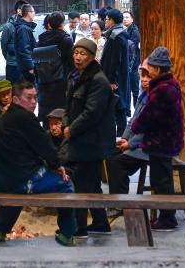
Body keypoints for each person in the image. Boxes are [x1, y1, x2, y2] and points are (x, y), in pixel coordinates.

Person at [0, 81, 77, 247]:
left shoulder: (6, 117)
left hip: (2, 179)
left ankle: (0, 230)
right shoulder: (26, 118)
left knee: (16, 193)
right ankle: (67, 233)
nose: (33, 101)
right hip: (20, 180)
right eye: (28, 98)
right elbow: (45, 147)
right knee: (66, 185)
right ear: (15, 100)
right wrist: (57, 166)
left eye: (35, 97)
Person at [128, 47, 184, 232]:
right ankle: (165, 216)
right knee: (162, 179)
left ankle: (168, 219)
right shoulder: (166, 86)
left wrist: (135, 129)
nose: (148, 70)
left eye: (151, 67)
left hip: (162, 141)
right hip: (164, 140)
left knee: (162, 181)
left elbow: (149, 115)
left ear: (158, 69)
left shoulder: (163, 89)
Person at [64, 36, 116, 238]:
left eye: (83, 54)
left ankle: (79, 228)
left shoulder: (98, 80)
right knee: (92, 184)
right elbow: (69, 105)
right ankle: (101, 223)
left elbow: (91, 113)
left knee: (81, 184)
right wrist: (67, 122)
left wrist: (72, 129)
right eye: (76, 53)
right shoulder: (75, 76)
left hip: (91, 141)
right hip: (79, 137)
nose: (78, 57)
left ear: (93, 57)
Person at [105, 60, 152, 196]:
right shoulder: (143, 95)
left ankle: (120, 202)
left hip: (145, 147)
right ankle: (115, 198)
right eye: (142, 76)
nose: (144, 80)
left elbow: (146, 128)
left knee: (117, 163)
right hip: (135, 143)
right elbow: (132, 121)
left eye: (148, 76)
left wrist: (130, 144)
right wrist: (124, 138)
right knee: (110, 155)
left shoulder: (153, 98)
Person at [34, 11, 74, 128]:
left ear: (49, 24)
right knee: (62, 114)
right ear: (62, 23)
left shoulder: (41, 39)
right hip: (61, 82)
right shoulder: (66, 39)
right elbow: (71, 63)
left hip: (44, 81)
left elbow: (37, 62)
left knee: (47, 116)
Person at [100, 9, 130, 135]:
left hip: (115, 80)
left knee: (118, 106)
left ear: (111, 20)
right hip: (117, 78)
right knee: (118, 106)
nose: (105, 22)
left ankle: (120, 136)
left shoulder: (116, 36)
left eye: (107, 19)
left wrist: (112, 80)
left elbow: (114, 61)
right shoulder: (116, 34)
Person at [0, 0, 28, 83]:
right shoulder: (9, 26)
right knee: (13, 91)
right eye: (26, 10)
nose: (29, 12)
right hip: (13, 65)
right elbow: (3, 46)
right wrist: (10, 58)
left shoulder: (29, 25)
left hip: (26, 65)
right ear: (19, 11)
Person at [13, 3, 38, 84]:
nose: (35, 13)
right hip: (26, 68)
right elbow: (24, 49)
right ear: (28, 13)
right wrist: (30, 67)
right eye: (33, 11)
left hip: (25, 66)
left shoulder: (25, 27)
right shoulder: (23, 28)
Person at [122, 11, 141, 107]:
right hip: (128, 63)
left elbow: (131, 47)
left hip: (133, 64)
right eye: (123, 17)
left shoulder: (135, 31)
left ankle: (136, 109)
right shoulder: (125, 30)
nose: (124, 19)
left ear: (132, 19)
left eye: (127, 17)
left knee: (135, 89)